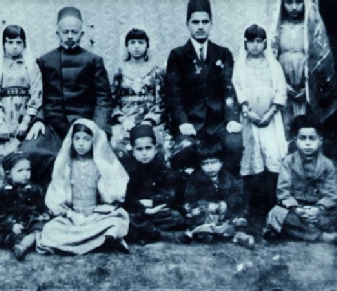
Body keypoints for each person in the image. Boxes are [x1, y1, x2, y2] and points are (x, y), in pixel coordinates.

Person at [34, 6, 112, 187]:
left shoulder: (93, 60)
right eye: (65, 32)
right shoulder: (45, 61)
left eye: (74, 32)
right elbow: (39, 95)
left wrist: (99, 129)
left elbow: (103, 98)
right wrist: (38, 119)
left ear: (82, 34)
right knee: (35, 154)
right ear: (57, 33)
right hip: (53, 126)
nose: (70, 36)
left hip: (85, 126)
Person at [165, 0, 242, 176]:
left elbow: (229, 88)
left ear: (211, 24)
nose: (200, 27)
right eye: (195, 22)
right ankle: (190, 197)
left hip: (218, 123)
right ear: (187, 25)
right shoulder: (177, 55)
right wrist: (183, 122)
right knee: (184, 149)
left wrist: (231, 118)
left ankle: (228, 194)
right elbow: (173, 94)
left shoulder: (223, 53)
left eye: (205, 22)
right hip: (190, 123)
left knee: (234, 144)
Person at [264, 115, 337, 248]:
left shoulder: (327, 164)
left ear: (320, 140)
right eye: (302, 138)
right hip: (297, 210)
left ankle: (303, 231)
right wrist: (297, 209)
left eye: (312, 138)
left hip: (320, 210)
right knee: (276, 214)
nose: (307, 143)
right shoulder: (288, 162)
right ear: (295, 140)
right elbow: (283, 192)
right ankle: (329, 237)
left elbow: (331, 194)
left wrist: (318, 209)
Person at [36, 119, 130, 255]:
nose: (81, 144)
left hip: (96, 217)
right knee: (50, 229)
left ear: (94, 141)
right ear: (71, 140)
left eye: (86, 139)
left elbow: (111, 194)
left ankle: (87, 241)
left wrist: (101, 210)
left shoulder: (100, 165)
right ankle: (100, 241)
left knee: (118, 221)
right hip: (73, 219)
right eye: (77, 138)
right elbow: (56, 198)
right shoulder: (67, 165)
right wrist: (71, 215)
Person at [232, 24, 288, 217]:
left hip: (270, 120)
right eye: (251, 41)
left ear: (264, 43)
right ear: (245, 43)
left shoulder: (274, 65)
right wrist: (247, 111)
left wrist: (271, 113)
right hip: (249, 120)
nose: (255, 46)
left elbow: (281, 90)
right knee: (251, 156)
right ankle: (251, 206)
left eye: (259, 41)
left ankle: (272, 204)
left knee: (272, 156)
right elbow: (237, 88)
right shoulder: (239, 65)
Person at [270, 0, 337, 138]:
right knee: (285, 129)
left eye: (298, 2)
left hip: (307, 86)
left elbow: (320, 60)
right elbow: (271, 59)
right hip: (284, 85)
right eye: (289, 3)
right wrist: (283, 85)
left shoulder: (313, 28)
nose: (294, 7)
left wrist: (308, 88)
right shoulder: (276, 28)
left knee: (307, 127)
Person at [0, 24, 43, 188]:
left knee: (21, 160)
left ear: (24, 44)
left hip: (22, 119)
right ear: (3, 44)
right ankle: (0, 199)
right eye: (10, 42)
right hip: (2, 119)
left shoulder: (31, 67)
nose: (14, 47)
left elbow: (36, 95)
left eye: (18, 42)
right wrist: (1, 123)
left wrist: (26, 122)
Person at [122, 124, 186, 245]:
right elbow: (126, 200)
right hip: (139, 213)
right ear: (133, 151)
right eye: (139, 149)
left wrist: (152, 203)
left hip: (158, 211)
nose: (145, 153)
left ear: (155, 149)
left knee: (176, 217)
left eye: (148, 148)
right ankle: (161, 235)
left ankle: (146, 234)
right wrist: (143, 210)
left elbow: (169, 195)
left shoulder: (162, 168)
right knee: (126, 220)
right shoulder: (127, 171)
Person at [182, 143, 253, 247]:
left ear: (221, 163)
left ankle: (238, 235)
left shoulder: (227, 177)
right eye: (205, 164)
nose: (210, 167)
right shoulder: (195, 179)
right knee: (197, 217)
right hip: (206, 212)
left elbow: (237, 193)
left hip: (224, 213)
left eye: (214, 162)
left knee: (238, 216)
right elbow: (190, 197)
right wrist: (206, 205)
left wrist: (227, 203)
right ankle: (207, 233)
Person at [111, 27, 166, 152]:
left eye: (140, 43)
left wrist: (149, 121)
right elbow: (112, 101)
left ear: (147, 45)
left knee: (155, 144)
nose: (136, 47)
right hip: (125, 122)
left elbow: (161, 102)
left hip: (150, 121)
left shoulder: (156, 71)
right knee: (116, 144)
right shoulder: (119, 71)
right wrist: (123, 119)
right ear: (127, 46)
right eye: (132, 43)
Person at [0, 151, 48, 261]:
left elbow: (40, 206)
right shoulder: (3, 192)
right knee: (11, 236)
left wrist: (43, 214)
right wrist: (11, 225)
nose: (25, 174)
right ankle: (21, 244)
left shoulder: (35, 189)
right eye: (20, 171)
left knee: (40, 229)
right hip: (13, 225)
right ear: (8, 174)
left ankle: (23, 246)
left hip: (31, 222)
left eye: (28, 170)